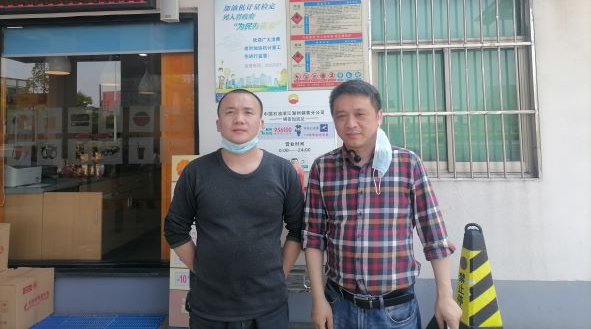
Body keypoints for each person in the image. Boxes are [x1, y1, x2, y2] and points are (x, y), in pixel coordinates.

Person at [302, 80, 462, 329]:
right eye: (341, 116)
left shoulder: (408, 164)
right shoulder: (323, 168)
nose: (350, 123)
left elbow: (434, 235)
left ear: (378, 117)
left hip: (395, 311)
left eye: (360, 114)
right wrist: (318, 298)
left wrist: (445, 296)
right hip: (338, 305)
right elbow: (313, 237)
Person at [164, 88, 305, 329]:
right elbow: (175, 229)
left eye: (248, 112)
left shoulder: (283, 172)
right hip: (210, 308)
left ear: (261, 123)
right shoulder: (196, 172)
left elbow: (298, 229)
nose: (239, 119)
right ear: (218, 123)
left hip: (269, 307)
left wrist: (280, 273)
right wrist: (201, 269)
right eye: (230, 112)